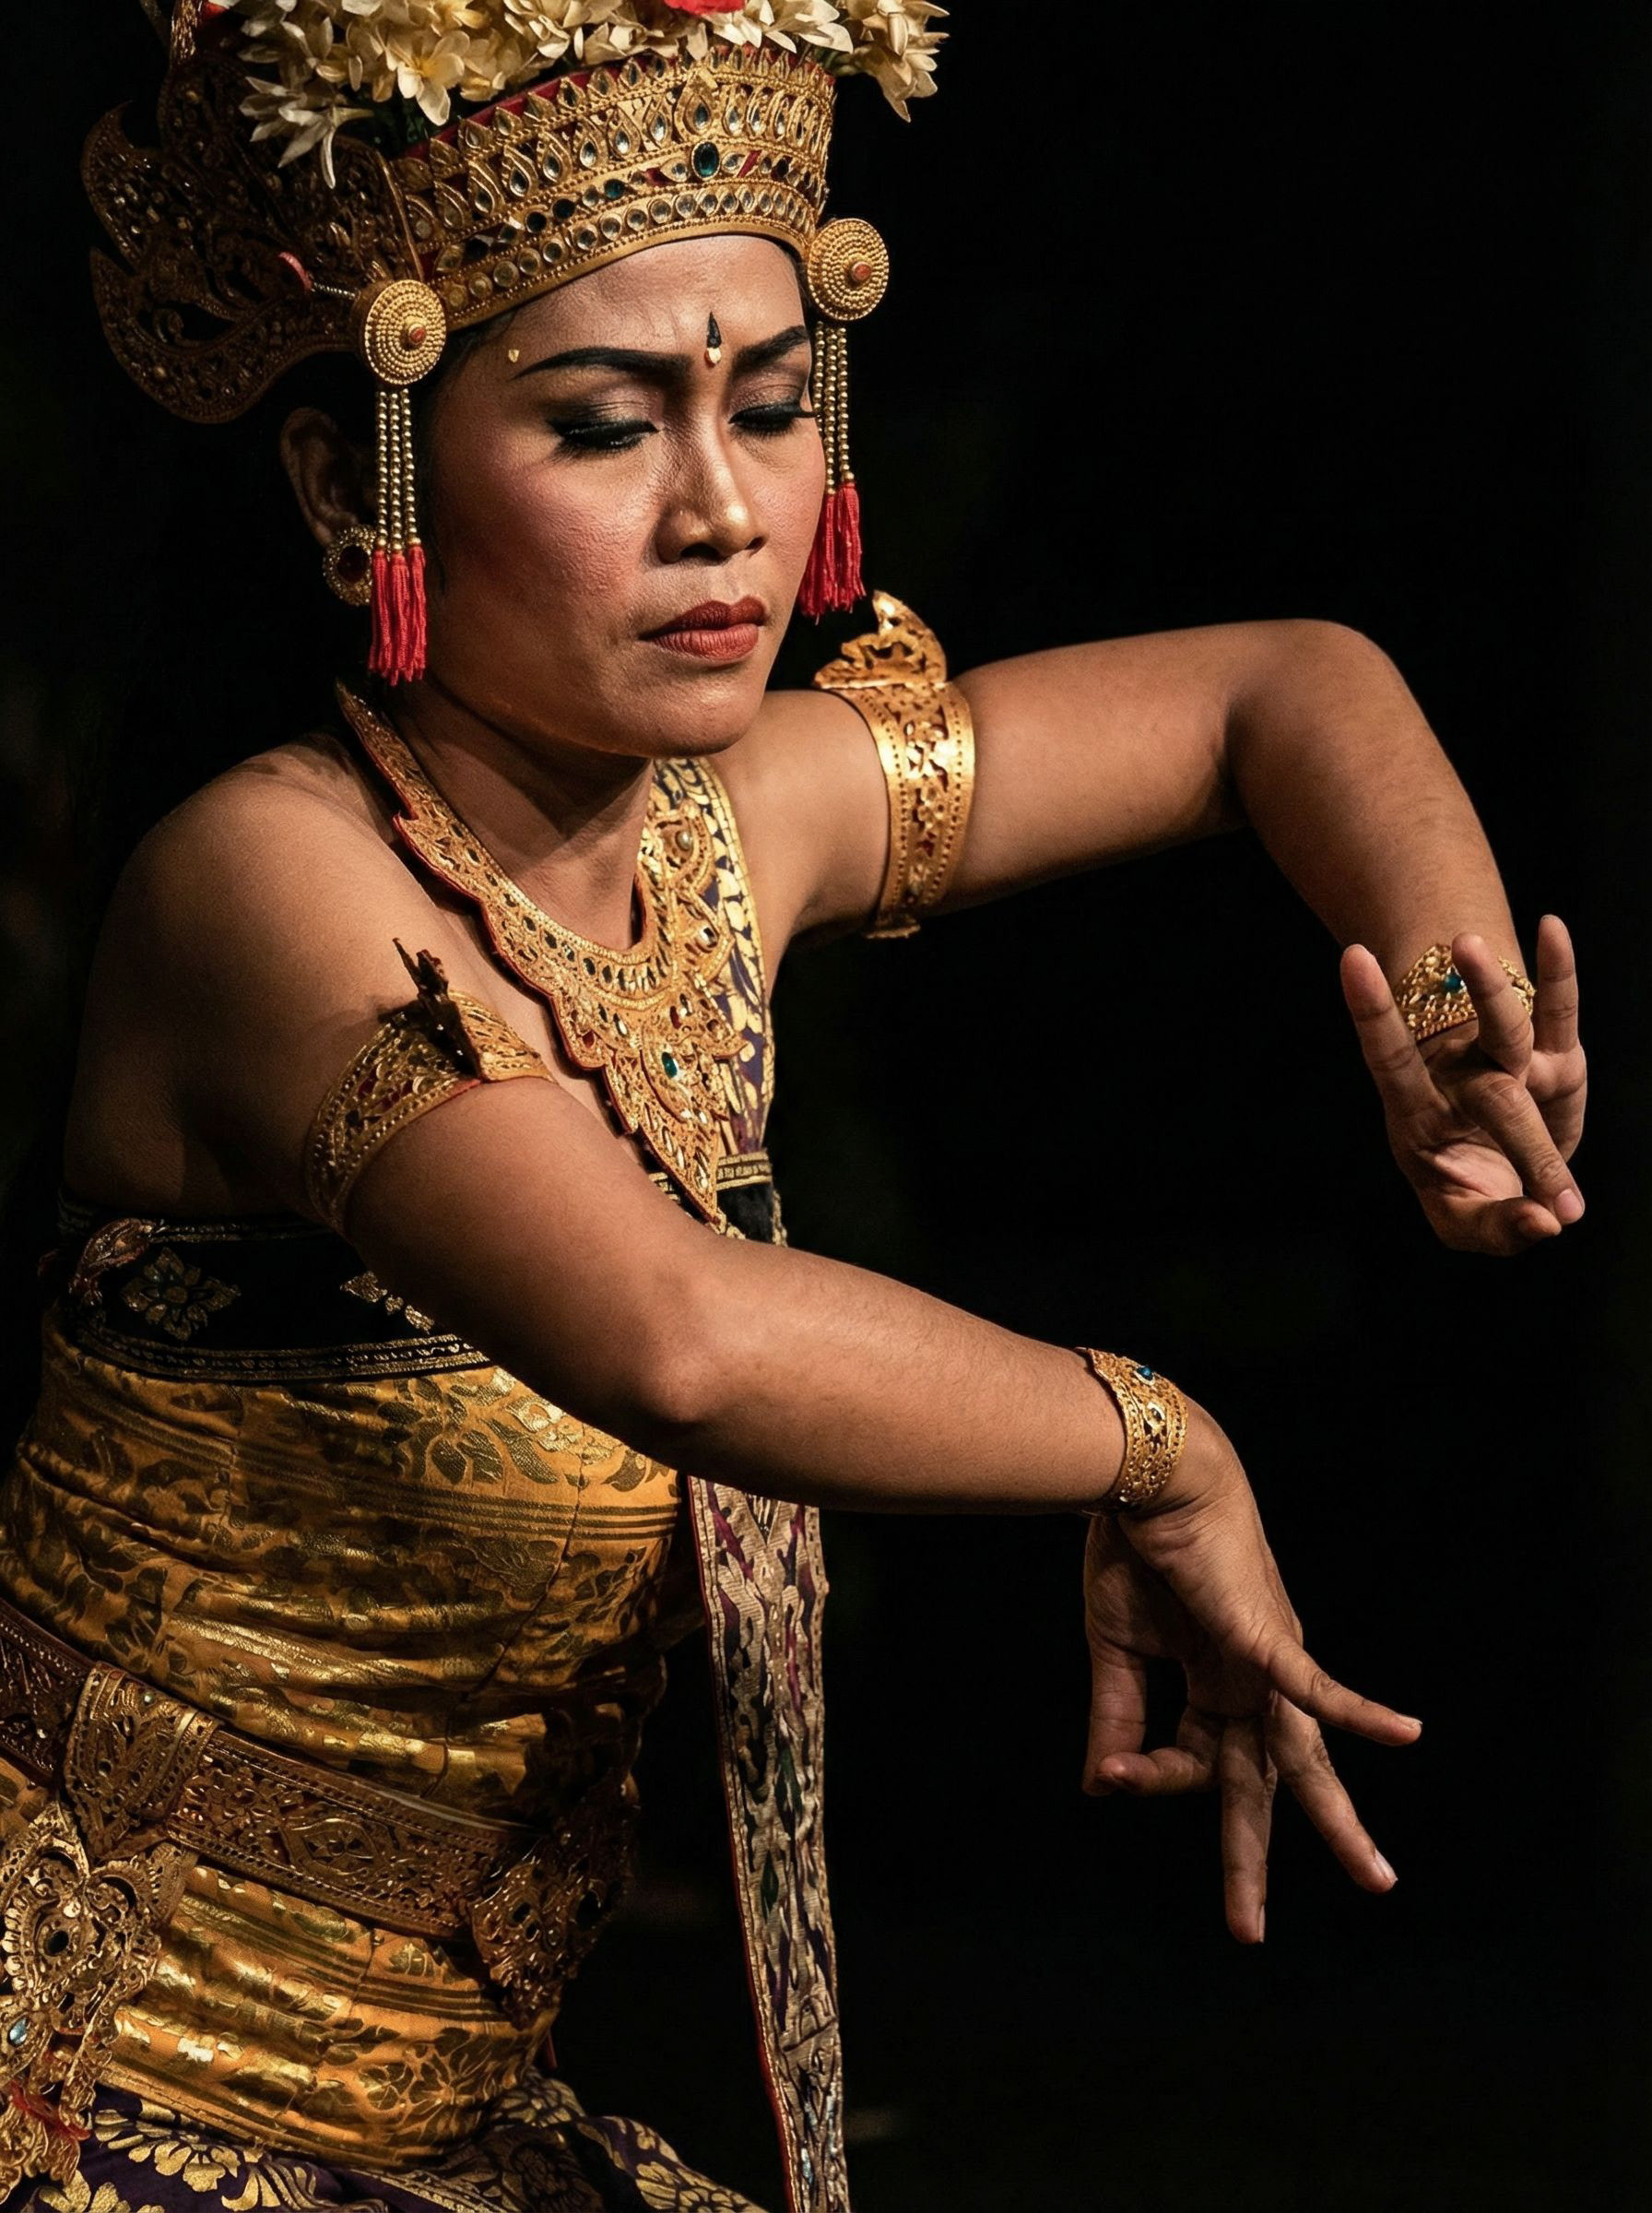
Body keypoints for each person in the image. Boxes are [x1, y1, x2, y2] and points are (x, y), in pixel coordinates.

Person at [0, 5, 1589, 2211]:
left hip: (433, 2127)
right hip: (95, 2111)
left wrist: (1442, 1012)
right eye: (601, 426)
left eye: (763, 403)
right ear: (349, 488)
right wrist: (1151, 1438)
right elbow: (683, 1340)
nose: (723, 508)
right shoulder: (268, 890)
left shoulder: (736, 827)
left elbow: (1280, 690)